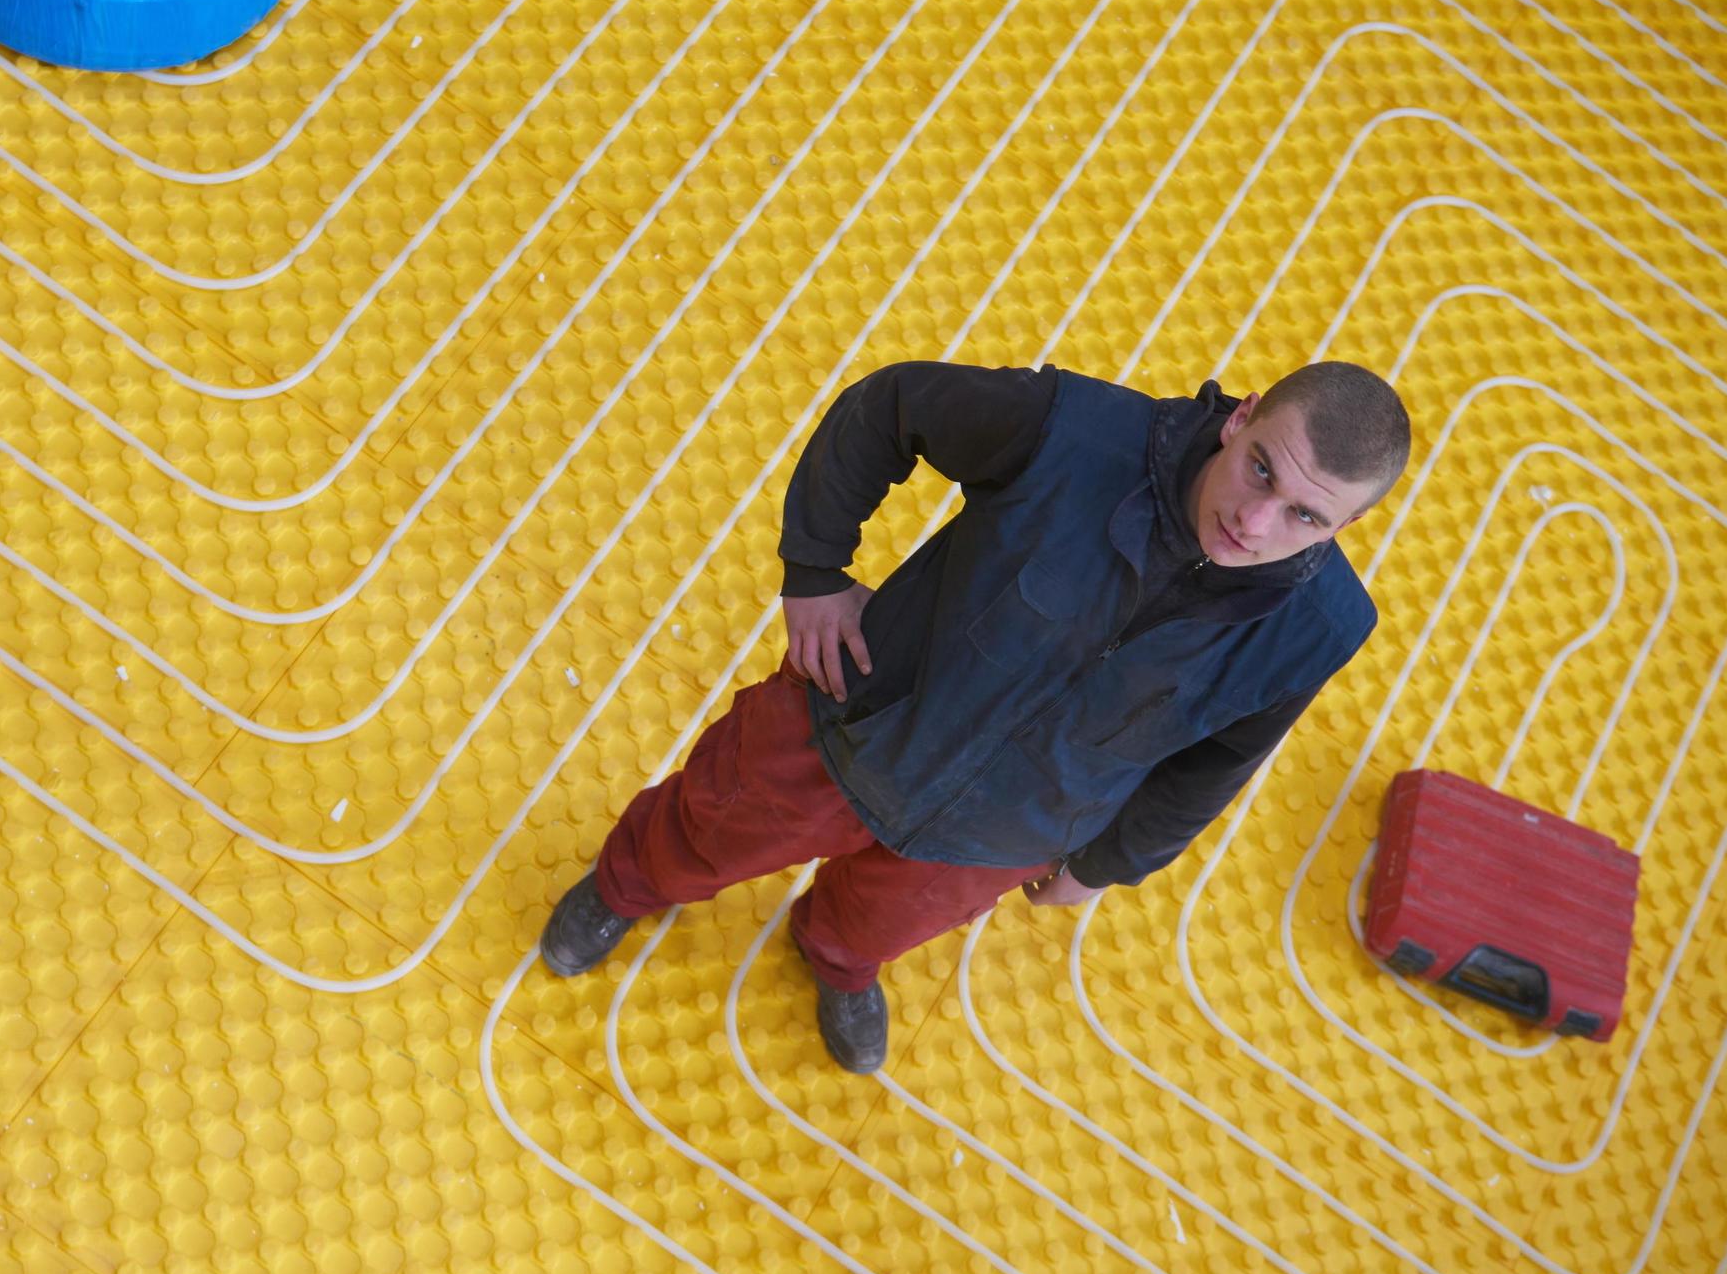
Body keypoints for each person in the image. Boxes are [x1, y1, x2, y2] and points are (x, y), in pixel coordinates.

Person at [538, 359, 1411, 1073]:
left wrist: (1105, 864)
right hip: (856, 723)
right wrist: (814, 572)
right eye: (1261, 468)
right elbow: (890, 406)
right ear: (1240, 418)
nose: (1255, 522)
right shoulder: (1073, 431)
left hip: (1005, 833)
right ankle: (625, 884)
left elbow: (1218, 760)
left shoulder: (1323, 629)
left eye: (1305, 515)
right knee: (709, 827)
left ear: (1349, 524)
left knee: (880, 924)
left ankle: (837, 959)